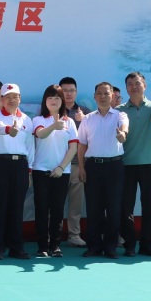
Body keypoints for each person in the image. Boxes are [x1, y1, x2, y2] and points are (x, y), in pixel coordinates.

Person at [76, 82, 128, 259]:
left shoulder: (120, 115)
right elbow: (82, 145)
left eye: (106, 93)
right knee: (93, 208)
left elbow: (124, 128)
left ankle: (110, 247)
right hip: (93, 167)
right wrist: (81, 167)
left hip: (114, 166)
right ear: (94, 96)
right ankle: (94, 246)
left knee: (113, 208)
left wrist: (122, 134)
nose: (103, 96)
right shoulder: (87, 119)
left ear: (112, 95)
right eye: (99, 93)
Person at [117, 72, 151, 257]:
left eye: (137, 83)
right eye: (130, 84)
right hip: (126, 164)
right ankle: (129, 244)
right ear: (126, 88)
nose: (134, 87)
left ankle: (147, 245)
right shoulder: (120, 110)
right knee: (126, 208)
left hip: (149, 164)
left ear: (144, 85)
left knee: (149, 207)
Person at [0, 83, 34, 260]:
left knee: (17, 207)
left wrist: (29, 170)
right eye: (8, 97)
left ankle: (16, 247)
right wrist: (9, 129)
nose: (12, 100)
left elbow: (30, 146)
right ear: (2, 99)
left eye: (15, 97)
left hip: (20, 166)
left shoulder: (26, 120)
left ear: (20, 99)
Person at [31, 84, 78, 258]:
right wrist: (53, 126)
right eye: (50, 98)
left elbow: (73, 147)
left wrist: (61, 167)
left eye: (57, 98)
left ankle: (55, 245)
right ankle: (42, 246)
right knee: (41, 209)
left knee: (58, 210)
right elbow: (40, 134)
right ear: (45, 101)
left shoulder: (69, 122)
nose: (53, 101)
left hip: (61, 173)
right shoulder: (38, 120)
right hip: (40, 171)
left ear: (62, 101)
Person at [60, 77, 91, 248]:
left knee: (76, 205)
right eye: (64, 90)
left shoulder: (85, 112)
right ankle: (52, 236)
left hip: (78, 165)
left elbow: (93, 136)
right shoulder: (53, 111)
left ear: (76, 92)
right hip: (58, 165)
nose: (68, 94)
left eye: (71, 90)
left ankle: (74, 235)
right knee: (55, 203)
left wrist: (84, 120)